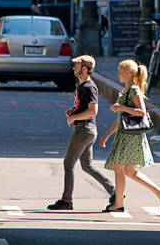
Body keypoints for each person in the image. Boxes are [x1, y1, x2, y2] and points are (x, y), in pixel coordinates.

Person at [47, 55, 116, 210]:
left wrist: (74, 117)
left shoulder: (89, 87)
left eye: (76, 66)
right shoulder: (83, 86)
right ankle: (115, 192)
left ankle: (66, 201)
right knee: (87, 166)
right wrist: (73, 111)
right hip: (87, 130)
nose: (73, 68)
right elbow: (85, 107)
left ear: (84, 69)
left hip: (84, 130)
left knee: (68, 164)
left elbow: (93, 111)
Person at [99, 59, 160, 213]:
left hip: (130, 136)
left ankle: (118, 204)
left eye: (120, 72)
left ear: (128, 73)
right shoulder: (126, 90)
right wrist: (107, 135)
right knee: (129, 171)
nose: (117, 75)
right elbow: (122, 118)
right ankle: (159, 192)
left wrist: (121, 107)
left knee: (118, 166)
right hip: (125, 134)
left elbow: (142, 112)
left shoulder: (134, 90)